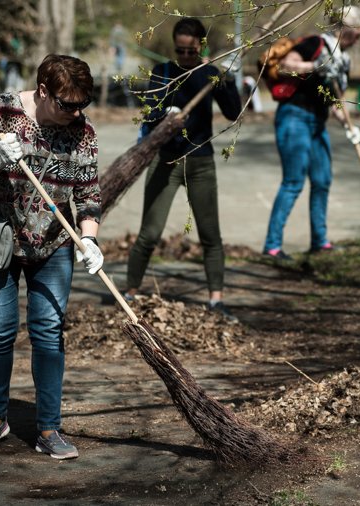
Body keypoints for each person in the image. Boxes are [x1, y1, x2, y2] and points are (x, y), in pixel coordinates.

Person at [0, 54, 103, 460]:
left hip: (52, 245)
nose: (76, 112)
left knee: (49, 333)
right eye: (67, 104)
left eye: (81, 104)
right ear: (42, 92)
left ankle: (49, 428)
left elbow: (88, 197)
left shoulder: (81, 131)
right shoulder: (2, 111)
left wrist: (89, 240)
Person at [124, 17, 242, 320]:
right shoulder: (163, 72)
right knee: (149, 234)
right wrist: (166, 112)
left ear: (200, 47)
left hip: (201, 161)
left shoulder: (210, 73)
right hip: (166, 160)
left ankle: (216, 299)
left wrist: (228, 78)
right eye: (181, 51)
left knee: (209, 234)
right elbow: (149, 115)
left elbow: (233, 112)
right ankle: (129, 294)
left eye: (191, 52)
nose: (186, 57)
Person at [262, 6, 360, 260]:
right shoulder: (316, 43)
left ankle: (320, 242)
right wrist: (316, 65)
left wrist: (348, 126)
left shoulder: (344, 59)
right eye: (356, 33)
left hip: (318, 122)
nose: (359, 38)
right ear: (344, 28)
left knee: (322, 180)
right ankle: (272, 246)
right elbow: (287, 65)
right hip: (294, 117)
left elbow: (335, 101)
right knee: (293, 181)